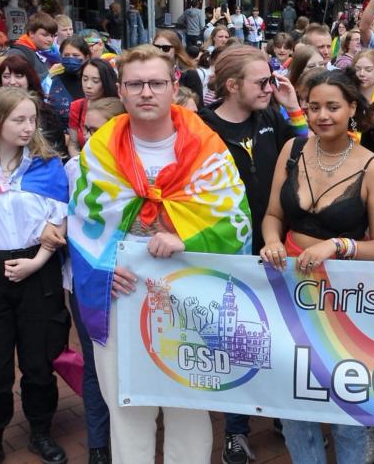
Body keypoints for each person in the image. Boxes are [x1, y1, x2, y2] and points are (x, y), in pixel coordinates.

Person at [68, 45, 252, 463]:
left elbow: (235, 216)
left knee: (188, 407)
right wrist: (102, 269)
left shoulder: (207, 147)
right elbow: (81, 221)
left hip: (189, 296)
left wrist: (187, 237)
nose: (145, 92)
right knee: (127, 409)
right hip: (121, 296)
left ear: (173, 86)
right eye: (135, 84)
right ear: (123, 90)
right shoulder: (99, 151)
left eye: (155, 83)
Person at [261, 69, 374, 464]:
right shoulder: (292, 151)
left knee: (345, 404)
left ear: (352, 108)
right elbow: (272, 214)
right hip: (288, 288)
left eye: (333, 107)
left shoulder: (372, 168)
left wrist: (338, 246)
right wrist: (271, 241)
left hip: (344, 299)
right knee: (294, 400)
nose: (322, 116)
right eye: (314, 106)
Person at [196, 44, 306, 464]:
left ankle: (279, 411)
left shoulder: (270, 119)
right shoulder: (201, 128)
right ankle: (236, 430)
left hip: (278, 245)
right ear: (231, 85)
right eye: (262, 81)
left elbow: (306, 153)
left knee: (281, 336)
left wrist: (293, 107)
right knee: (234, 344)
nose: (271, 86)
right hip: (229, 253)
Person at [0, 87, 70, 464]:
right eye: (18, 120)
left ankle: (40, 431)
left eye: (32, 120)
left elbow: (58, 225)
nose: (28, 128)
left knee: (39, 362)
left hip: (37, 270)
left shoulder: (46, 165)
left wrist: (37, 262)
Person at [64, 97, 125, 464]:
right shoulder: (74, 168)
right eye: (87, 129)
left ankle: (128, 438)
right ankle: (99, 445)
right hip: (86, 284)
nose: (90, 137)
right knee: (95, 363)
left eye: (100, 129)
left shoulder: (138, 171)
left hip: (131, 284)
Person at [0, 55, 68, 158]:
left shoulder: (46, 113)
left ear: (29, 78)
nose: (12, 82)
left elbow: (57, 149)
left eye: (19, 76)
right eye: (6, 76)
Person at [67, 58, 119, 157]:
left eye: (95, 81)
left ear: (106, 82)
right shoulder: (77, 106)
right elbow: (73, 143)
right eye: (85, 79)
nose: (88, 86)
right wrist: (77, 160)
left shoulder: (119, 107)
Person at [44, 36, 90, 127]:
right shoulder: (53, 80)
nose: (70, 59)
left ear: (86, 57)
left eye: (76, 56)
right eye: (66, 55)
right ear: (60, 56)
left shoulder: (92, 80)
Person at [152, 30, 204, 99]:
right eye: (156, 47)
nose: (160, 52)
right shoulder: (146, 71)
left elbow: (198, 105)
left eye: (166, 48)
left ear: (176, 50)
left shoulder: (189, 74)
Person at [5, 12, 56, 82]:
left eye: (52, 36)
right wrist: (50, 73)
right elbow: (16, 83)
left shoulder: (38, 51)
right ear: (31, 33)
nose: (50, 39)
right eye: (45, 35)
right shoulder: (17, 53)